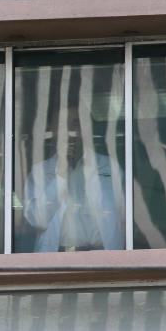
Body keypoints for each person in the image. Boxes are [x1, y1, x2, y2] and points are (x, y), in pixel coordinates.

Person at [21, 107, 124, 252]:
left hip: (103, 259)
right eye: (63, 125)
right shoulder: (40, 172)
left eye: (76, 124)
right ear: (53, 130)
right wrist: (61, 172)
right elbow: (37, 220)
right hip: (57, 261)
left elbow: (125, 219)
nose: (70, 132)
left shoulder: (109, 167)